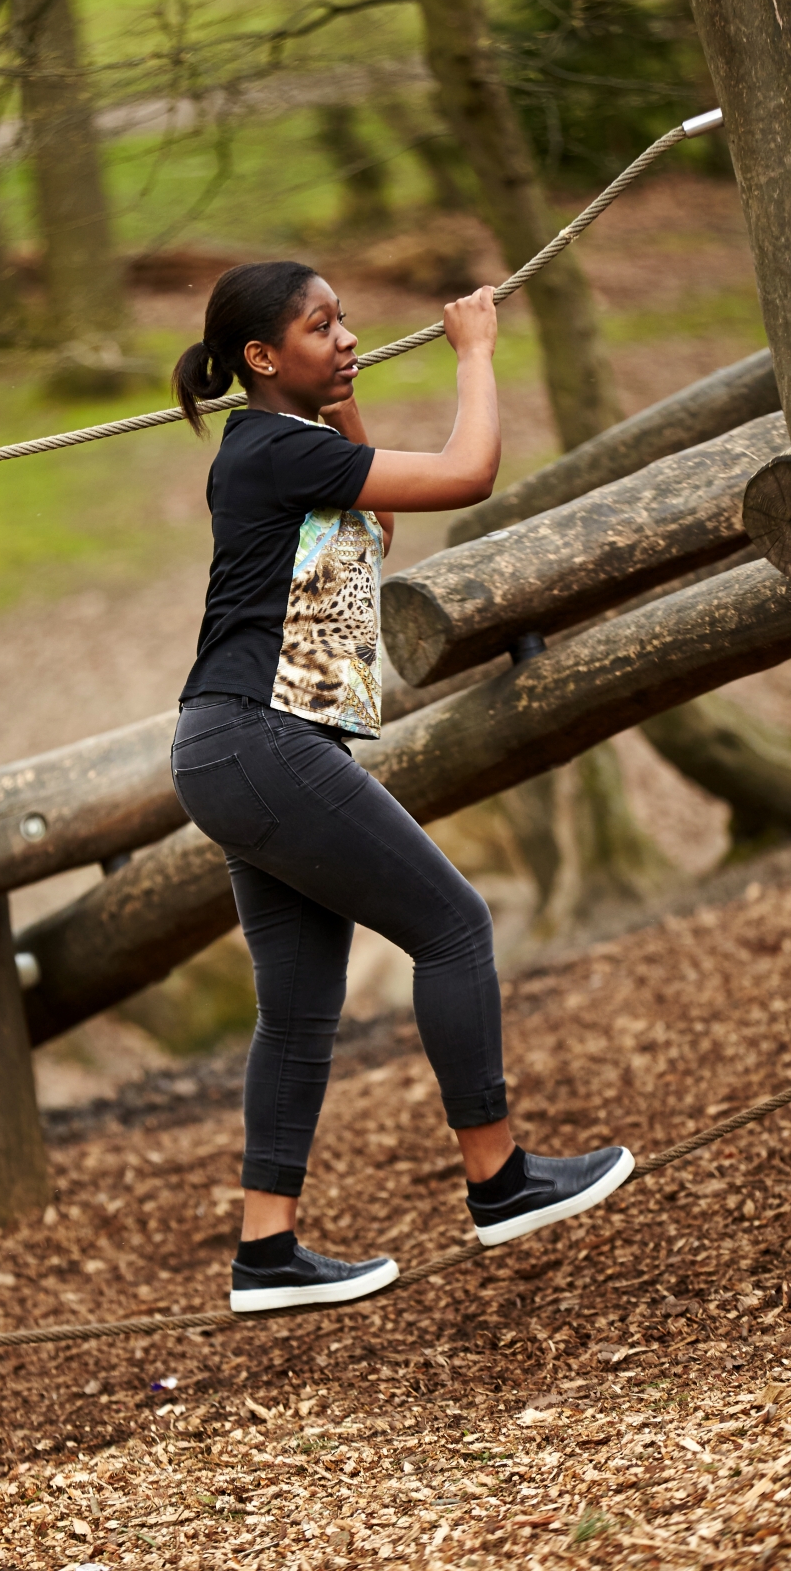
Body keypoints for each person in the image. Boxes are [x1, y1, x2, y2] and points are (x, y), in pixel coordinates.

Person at [170, 261, 633, 1316]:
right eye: (320, 327)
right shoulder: (275, 451)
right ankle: (499, 1179)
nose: (345, 339)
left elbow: (370, 539)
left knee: (297, 1011)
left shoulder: (288, 453)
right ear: (259, 358)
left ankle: (267, 1252)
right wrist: (475, 352)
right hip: (259, 740)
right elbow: (468, 473)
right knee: (457, 927)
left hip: (238, 750)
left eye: (344, 323)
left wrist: (347, 400)